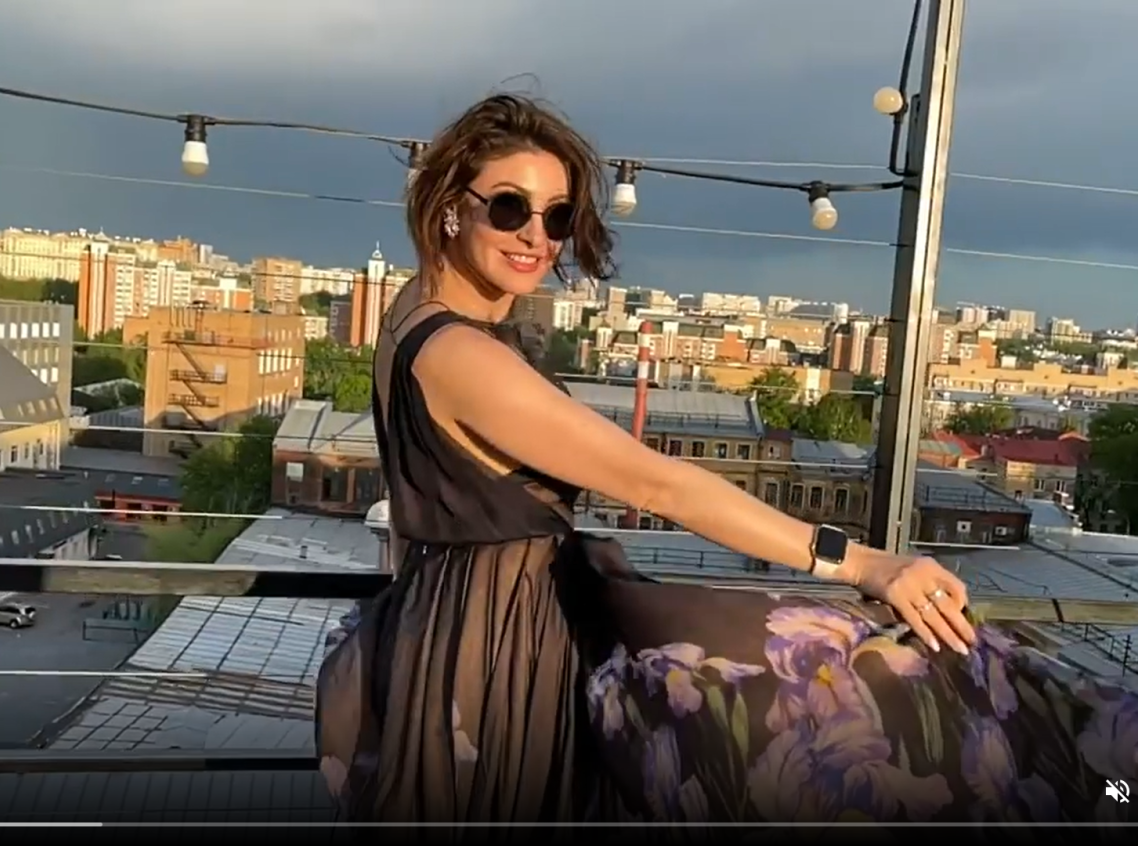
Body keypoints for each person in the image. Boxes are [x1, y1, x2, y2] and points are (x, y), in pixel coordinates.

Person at [315, 94, 1137, 827]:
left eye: (557, 215)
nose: (537, 235)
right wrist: (865, 565)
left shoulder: (410, 315)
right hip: (501, 653)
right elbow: (658, 482)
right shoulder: (464, 356)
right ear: (449, 206)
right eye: (508, 207)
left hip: (449, 628)